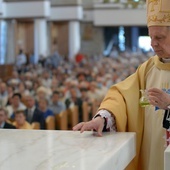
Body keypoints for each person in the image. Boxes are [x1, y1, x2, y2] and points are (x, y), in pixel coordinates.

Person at [73, 0, 170, 170]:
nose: (153, 43)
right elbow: (123, 99)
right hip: (151, 157)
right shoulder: (148, 69)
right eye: (151, 37)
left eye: (159, 37)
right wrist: (102, 118)